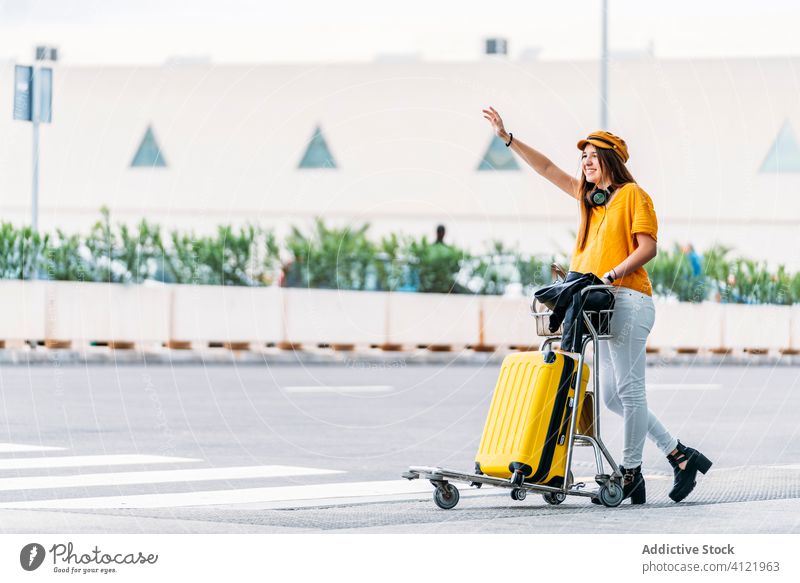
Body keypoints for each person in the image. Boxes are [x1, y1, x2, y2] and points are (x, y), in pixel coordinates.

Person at [482, 106, 711, 504]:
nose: (586, 162)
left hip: (628, 299)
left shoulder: (633, 195)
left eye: (592, 155)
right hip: (596, 306)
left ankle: (631, 473)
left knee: (629, 390)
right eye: (583, 156)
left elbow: (648, 248)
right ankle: (680, 455)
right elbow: (548, 169)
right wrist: (507, 138)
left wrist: (611, 273)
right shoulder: (590, 200)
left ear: (609, 160)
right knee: (610, 397)